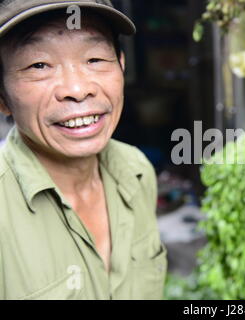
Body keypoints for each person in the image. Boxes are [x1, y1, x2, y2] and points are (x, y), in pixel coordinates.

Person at [0, 0, 166, 300]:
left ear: (121, 65)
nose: (77, 89)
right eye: (39, 65)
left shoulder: (137, 171)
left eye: (94, 59)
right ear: (2, 96)